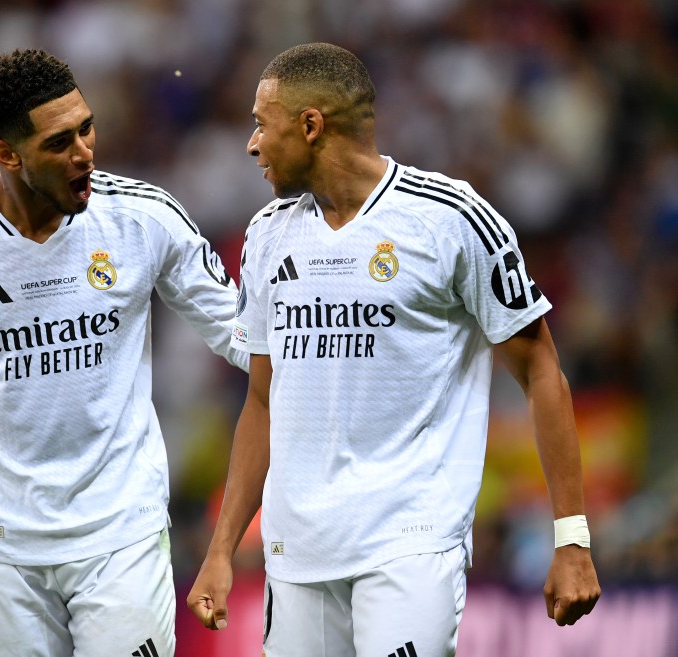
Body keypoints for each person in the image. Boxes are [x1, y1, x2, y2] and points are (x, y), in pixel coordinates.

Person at [186, 42, 601, 656]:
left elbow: (542, 371)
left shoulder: (451, 220)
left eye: (260, 125)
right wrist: (222, 549)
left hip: (410, 541)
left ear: (310, 125)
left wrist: (571, 538)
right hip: (296, 552)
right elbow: (262, 400)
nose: (251, 145)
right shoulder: (267, 235)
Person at [0, 48, 248, 657]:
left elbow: (248, 339)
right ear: (7, 154)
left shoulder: (144, 219)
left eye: (87, 128)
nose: (85, 152)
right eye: (60, 143)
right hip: (0, 545)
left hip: (122, 534)